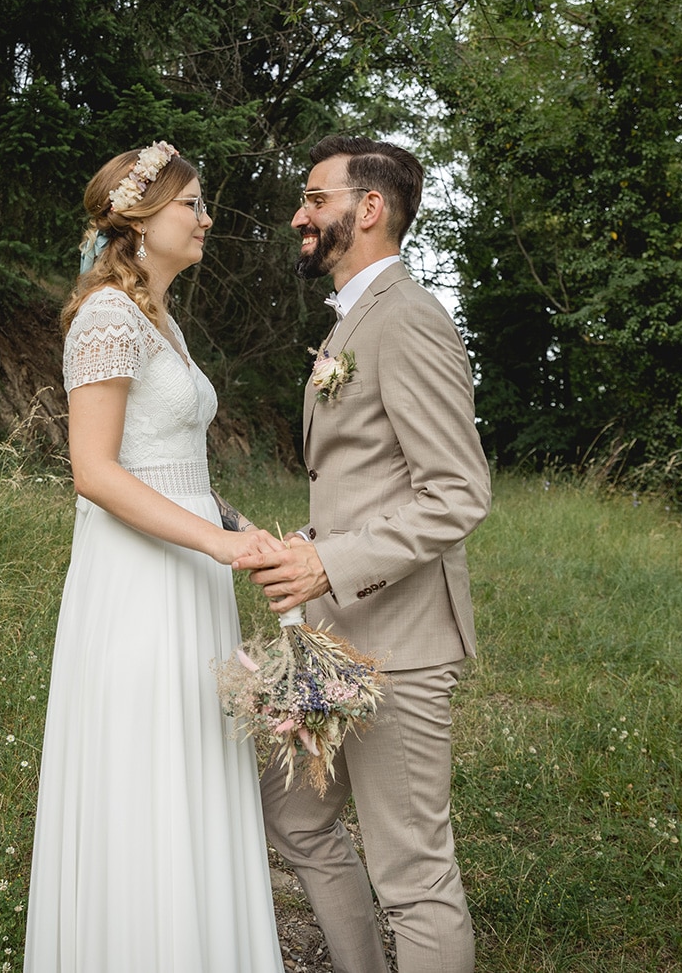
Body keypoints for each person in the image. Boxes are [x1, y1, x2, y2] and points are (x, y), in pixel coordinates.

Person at [23, 142, 287, 973]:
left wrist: (241, 526)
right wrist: (214, 539)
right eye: (192, 205)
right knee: (144, 775)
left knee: (193, 771)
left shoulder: (163, 320)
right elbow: (95, 471)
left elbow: (167, 463)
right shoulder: (106, 316)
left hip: (189, 575)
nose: (207, 220)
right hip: (138, 583)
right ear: (138, 223)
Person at [233, 136, 492, 973]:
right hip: (340, 639)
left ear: (368, 208)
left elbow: (457, 493)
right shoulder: (354, 322)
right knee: (298, 816)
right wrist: (299, 547)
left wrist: (329, 566)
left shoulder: (409, 319)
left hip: (400, 643)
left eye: (314, 198)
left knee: (413, 872)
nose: (299, 214)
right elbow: (367, 486)